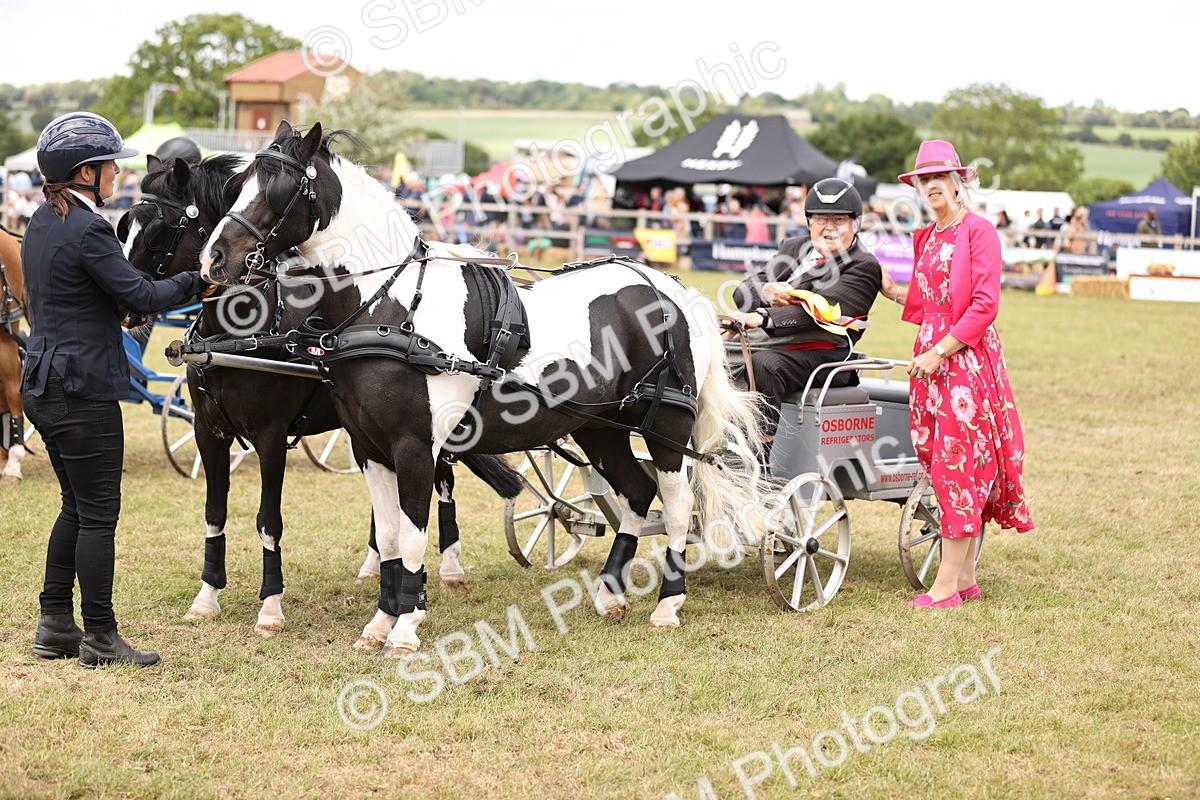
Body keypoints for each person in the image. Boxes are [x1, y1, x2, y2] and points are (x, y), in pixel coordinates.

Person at [22, 112, 211, 667]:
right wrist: (199, 280)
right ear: (86, 173)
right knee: (99, 514)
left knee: (74, 507)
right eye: (111, 166)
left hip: (45, 382)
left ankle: (55, 621)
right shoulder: (89, 228)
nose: (117, 175)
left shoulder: (40, 221)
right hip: (81, 388)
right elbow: (142, 295)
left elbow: (87, 295)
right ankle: (101, 635)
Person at [880, 139, 1035, 609]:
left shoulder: (979, 231)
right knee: (939, 459)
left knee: (958, 464)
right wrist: (889, 289)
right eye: (923, 180)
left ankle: (945, 588)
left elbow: (984, 305)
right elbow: (929, 302)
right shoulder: (929, 236)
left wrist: (942, 351)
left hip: (964, 361)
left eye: (938, 178)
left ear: (958, 181)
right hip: (929, 359)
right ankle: (965, 578)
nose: (930, 187)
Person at [722, 177, 882, 449]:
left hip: (819, 350)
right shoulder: (793, 248)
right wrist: (767, 293)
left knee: (764, 364)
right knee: (707, 353)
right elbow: (743, 291)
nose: (829, 227)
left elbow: (822, 311)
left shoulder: (863, 265)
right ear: (809, 222)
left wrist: (763, 317)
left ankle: (759, 457)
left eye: (839, 220)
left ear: (855, 224)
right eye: (821, 219)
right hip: (768, 339)